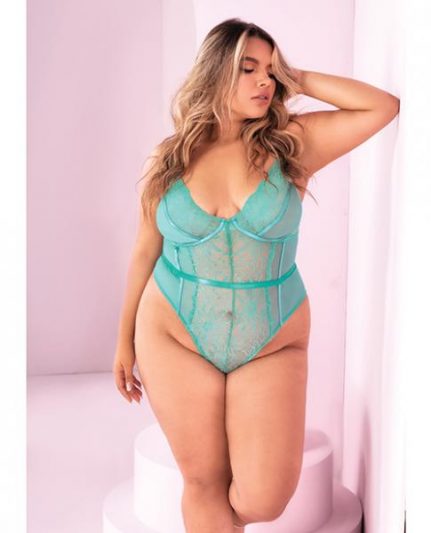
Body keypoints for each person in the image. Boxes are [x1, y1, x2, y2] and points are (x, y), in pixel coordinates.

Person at [112, 17, 399, 533]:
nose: (264, 81)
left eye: (270, 69)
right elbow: (144, 250)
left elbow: (381, 107)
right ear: (216, 71)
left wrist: (297, 77)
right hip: (173, 332)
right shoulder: (169, 159)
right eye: (249, 69)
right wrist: (123, 340)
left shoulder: (292, 145)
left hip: (270, 338)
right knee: (203, 482)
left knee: (263, 498)